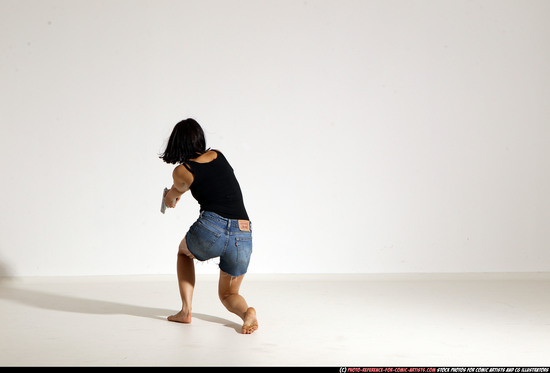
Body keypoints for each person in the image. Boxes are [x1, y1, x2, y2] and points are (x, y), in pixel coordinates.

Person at [159, 118, 258, 334]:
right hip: (243, 234)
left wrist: (169, 197)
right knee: (228, 295)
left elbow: (174, 195)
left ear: (176, 143)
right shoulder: (218, 155)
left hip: (212, 228)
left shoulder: (182, 171)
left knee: (184, 253)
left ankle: (185, 311)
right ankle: (247, 313)